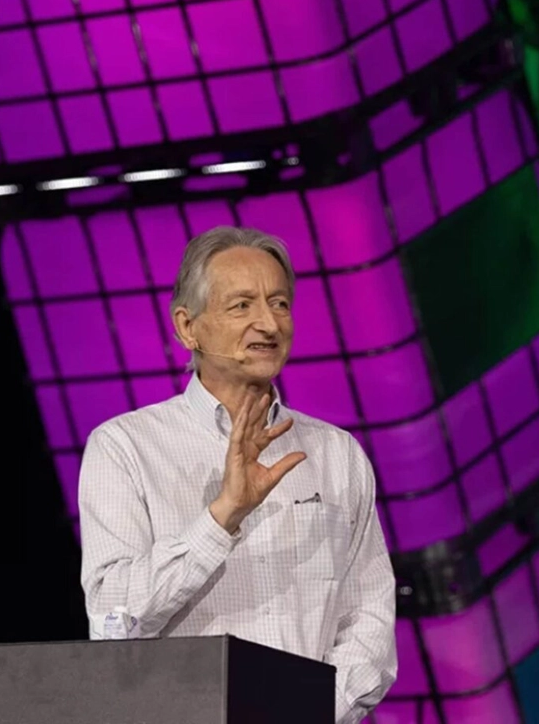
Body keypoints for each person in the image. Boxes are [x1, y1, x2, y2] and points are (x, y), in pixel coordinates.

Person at [79, 226, 397, 723]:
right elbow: (113, 620)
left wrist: (307, 715)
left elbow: (370, 623)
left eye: (280, 303)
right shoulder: (124, 448)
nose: (268, 324)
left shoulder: (337, 454)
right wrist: (222, 516)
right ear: (188, 328)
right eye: (242, 305)